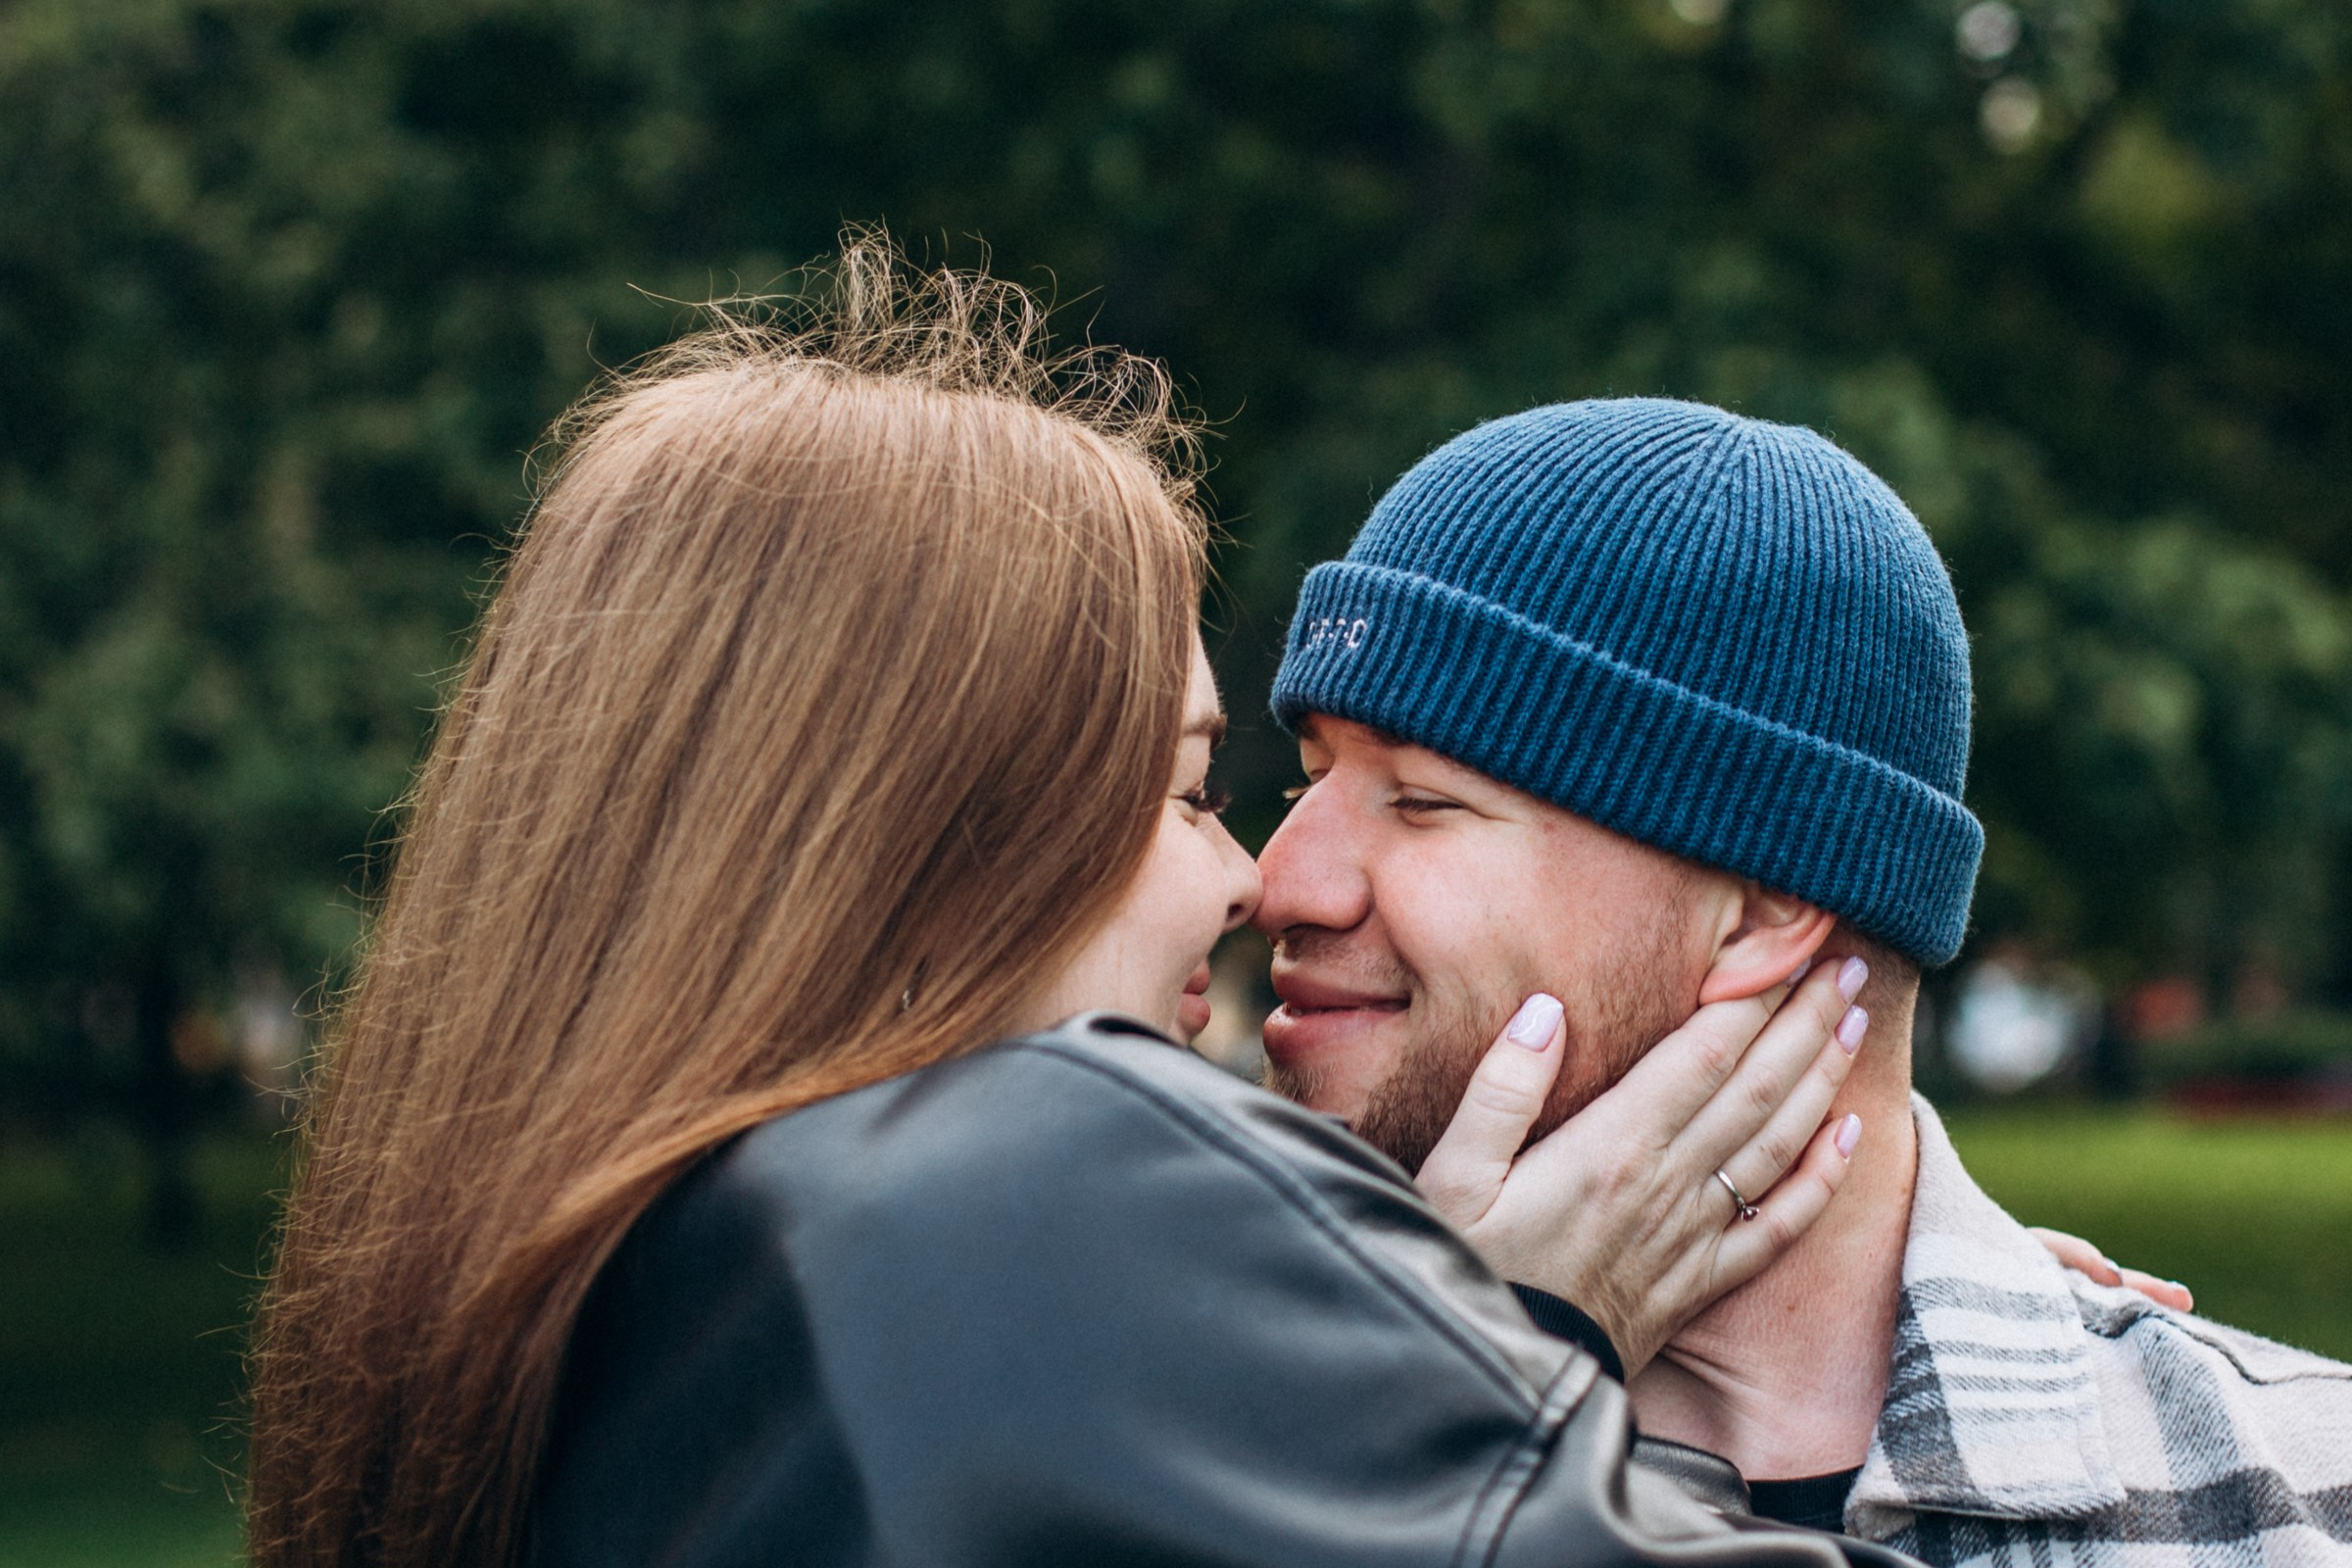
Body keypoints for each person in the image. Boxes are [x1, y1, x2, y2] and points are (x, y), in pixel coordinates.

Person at [243, 248, 1898, 1568]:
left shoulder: (564, 1317)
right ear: (920, 837)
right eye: (1187, 791)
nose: (1253, 877)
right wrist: (1477, 1368)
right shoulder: (1036, 1183)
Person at [1254, 396, 2352, 1566]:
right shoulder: (1164, 1437)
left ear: (1767, 904)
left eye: (1423, 799)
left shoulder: (2299, 1502)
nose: (1278, 881)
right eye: (1302, 781)